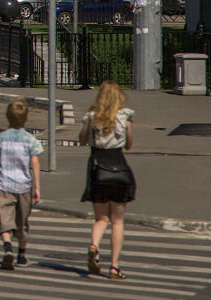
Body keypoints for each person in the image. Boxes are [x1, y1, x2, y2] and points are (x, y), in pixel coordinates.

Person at [79, 80, 135, 280]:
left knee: (101, 219)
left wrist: (87, 124)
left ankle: (94, 245)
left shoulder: (92, 118)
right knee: (117, 221)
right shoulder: (124, 118)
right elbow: (128, 145)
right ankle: (114, 267)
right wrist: (127, 131)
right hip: (119, 169)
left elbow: (82, 141)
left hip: (97, 170)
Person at [0, 99, 43, 270]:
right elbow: (35, 163)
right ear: (27, 117)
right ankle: (21, 255)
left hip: (4, 185)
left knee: (5, 219)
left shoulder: (2, 138)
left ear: (7, 117)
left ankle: (7, 247)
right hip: (24, 186)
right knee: (22, 222)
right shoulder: (29, 139)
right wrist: (36, 187)